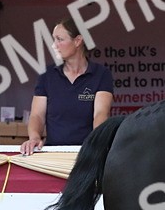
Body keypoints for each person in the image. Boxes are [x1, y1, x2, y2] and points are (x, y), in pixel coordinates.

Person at [21, 18, 114, 154]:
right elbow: (37, 116)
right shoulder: (46, 76)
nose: (54, 45)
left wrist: (97, 143)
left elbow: (101, 114)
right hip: (52, 155)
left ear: (77, 41)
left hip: (87, 154)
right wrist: (34, 137)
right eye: (54, 39)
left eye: (60, 39)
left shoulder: (101, 74)